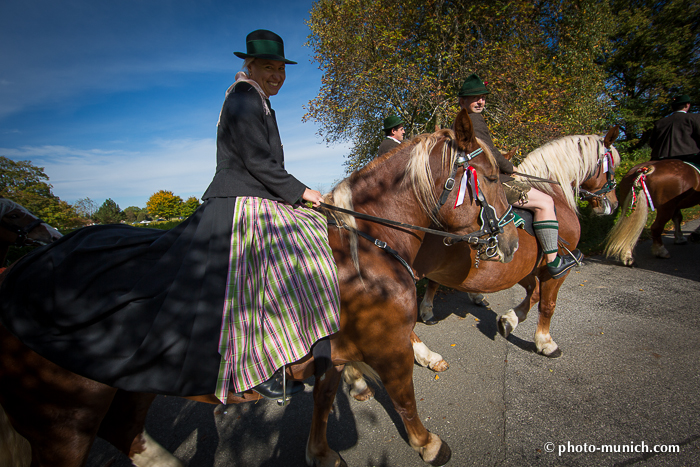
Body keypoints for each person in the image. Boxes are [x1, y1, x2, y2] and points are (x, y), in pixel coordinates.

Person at [0, 29, 341, 404]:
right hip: (240, 198)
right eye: (268, 67)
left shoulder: (258, 99)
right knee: (280, 252)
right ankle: (254, 366)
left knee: (309, 231)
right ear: (250, 65)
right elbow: (257, 161)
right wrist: (302, 192)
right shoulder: (244, 97)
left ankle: (304, 341)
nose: (277, 74)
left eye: (281, 68)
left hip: (255, 192)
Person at [458, 73, 582, 279]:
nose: (480, 101)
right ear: (463, 101)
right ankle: (553, 260)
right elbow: (490, 154)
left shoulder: (463, 121)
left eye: (483, 97)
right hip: (491, 180)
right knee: (545, 202)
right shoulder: (475, 120)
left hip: (476, 179)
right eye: (474, 97)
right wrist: (511, 168)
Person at [649, 95, 700, 161]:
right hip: (687, 156)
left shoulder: (659, 122)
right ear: (687, 105)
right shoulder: (695, 118)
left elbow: (652, 143)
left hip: (659, 157)